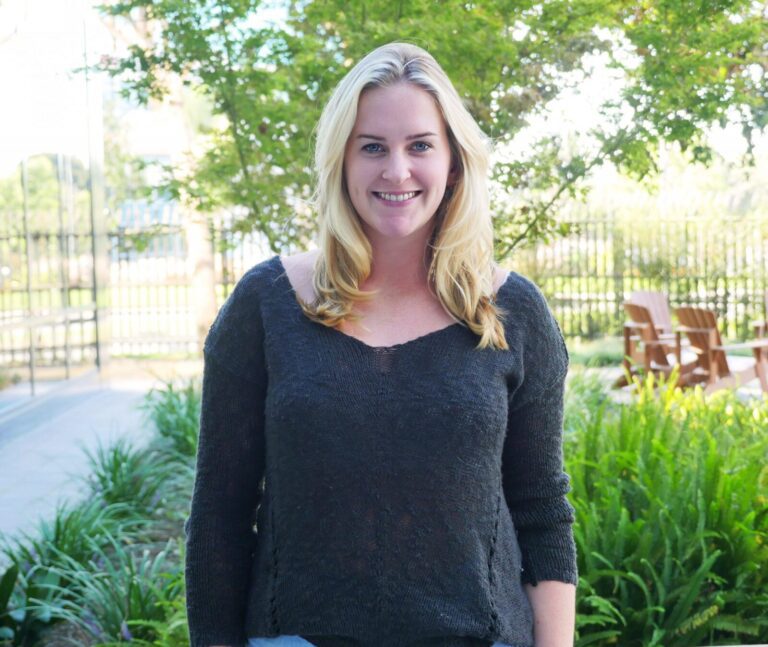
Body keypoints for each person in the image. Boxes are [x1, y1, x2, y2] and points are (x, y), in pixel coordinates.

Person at [185, 42, 577, 647]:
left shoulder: (511, 312)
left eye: (420, 144)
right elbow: (219, 514)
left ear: (453, 161)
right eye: (372, 147)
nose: (397, 170)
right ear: (341, 161)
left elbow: (541, 509)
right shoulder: (266, 306)